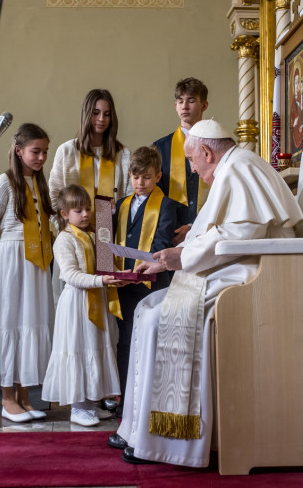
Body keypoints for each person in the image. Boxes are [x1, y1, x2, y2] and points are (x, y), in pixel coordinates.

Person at [110, 119, 303, 467]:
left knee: (158, 319)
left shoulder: (239, 168)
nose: (193, 170)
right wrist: (168, 258)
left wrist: (181, 258)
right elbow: (219, 231)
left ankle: (168, 440)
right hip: (238, 264)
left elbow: (238, 235)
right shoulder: (235, 167)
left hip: (254, 272)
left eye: (193, 161)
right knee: (147, 308)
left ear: (206, 152)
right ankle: (139, 429)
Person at [0, 123, 56, 423]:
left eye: (45, 152)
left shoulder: (41, 184)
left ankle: (25, 396)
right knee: (9, 325)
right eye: (35, 151)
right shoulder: (4, 183)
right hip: (10, 264)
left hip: (36, 266)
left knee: (30, 324)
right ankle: (7, 399)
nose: (41, 157)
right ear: (18, 151)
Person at [42, 185, 128, 427]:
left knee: (95, 347)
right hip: (77, 303)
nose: (85, 214)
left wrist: (118, 276)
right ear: (64, 214)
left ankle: (90, 403)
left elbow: (104, 266)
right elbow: (70, 275)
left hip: (96, 298)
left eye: (88, 209)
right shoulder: (64, 239)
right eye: (78, 210)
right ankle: (77, 407)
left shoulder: (92, 236)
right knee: (78, 348)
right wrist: (101, 281)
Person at [111, 146, 176, 417]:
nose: (140, 183)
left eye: (147, 177)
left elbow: (162, 241)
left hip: (152, 282)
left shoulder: (167, 205)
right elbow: (112, 239)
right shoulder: (122, 205)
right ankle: (126, 402)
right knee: (125, 341)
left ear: (158, 176)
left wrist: (143, 269)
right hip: (125, 285)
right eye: (136, 177)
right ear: (130, 175)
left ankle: (150, 402)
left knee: (151, 341)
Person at [49, 88, 132, 210]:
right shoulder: (66, 151)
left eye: (107, 114)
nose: (101, 119)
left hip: (114, 222)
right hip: (71, 223)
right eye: (96, 113)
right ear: (86, 114)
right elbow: (54, 197)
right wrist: (65, 223)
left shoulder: (123, 154)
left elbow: (131, 198)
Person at [152, 77, 209, 245]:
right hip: (170, 233)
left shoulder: (216, 145)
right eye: (180, 101)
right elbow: (154, 193)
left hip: (207, 232)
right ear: (176, 105)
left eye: (191, 100)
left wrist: (193, 226)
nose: (185, 106)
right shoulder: (160, 148)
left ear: (204, 105)